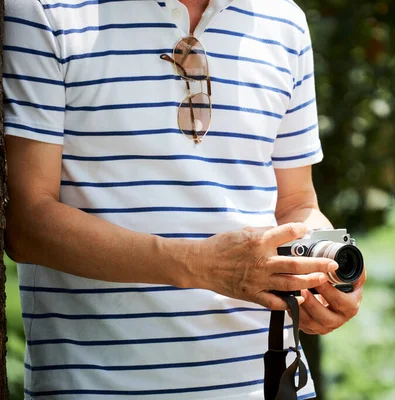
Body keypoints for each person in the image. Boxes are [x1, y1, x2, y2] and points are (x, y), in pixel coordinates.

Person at [3, 0, 366, 398]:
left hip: (272, 385)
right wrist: (199, 266)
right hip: (101, 388)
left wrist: (325, 275)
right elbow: (28, 223)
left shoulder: (284, 20)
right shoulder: (43, 8)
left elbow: (296, 203)